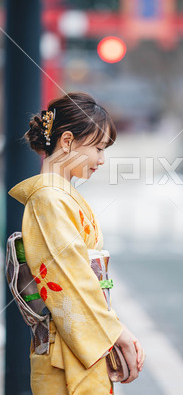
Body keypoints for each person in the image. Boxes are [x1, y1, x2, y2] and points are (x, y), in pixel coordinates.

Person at [8, 92, 145, 394]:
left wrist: (110, 332)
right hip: (66, 349)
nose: (101, 159)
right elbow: (70, 279)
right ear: (67, 141)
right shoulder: (48, 199)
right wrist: (115, 333)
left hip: (76, 342)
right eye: (97, 148)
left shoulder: (59, 197)